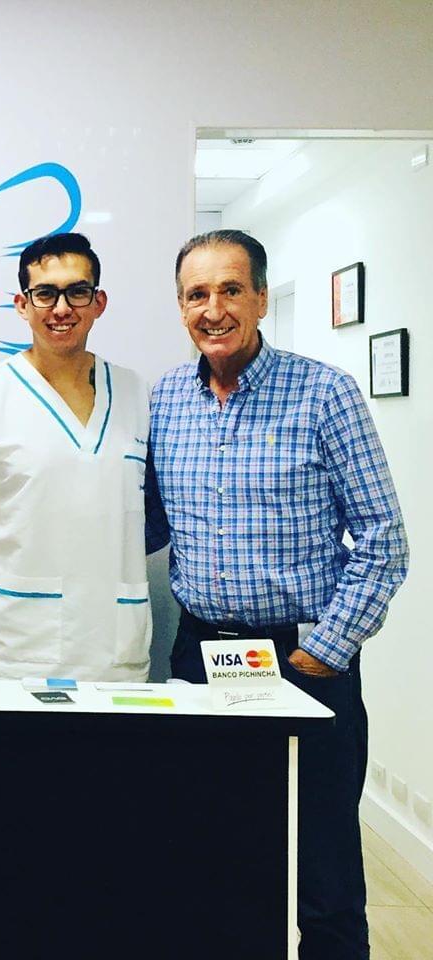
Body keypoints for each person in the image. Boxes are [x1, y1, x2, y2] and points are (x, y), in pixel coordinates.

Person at [146, 229, 408, 959]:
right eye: (197, 294)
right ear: (180, 306)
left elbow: (383, 538)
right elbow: (150, 522)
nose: (214, 309)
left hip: (302, 656)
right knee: (213, 848)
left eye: (231, 290)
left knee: (323, 863)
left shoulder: (325, 393)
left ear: (261, 298)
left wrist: (324, 652)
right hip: (200, 659)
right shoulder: (166, 399)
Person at [0, 232, 151, 681]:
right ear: (22, 305)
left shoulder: (136, 393)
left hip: (117, 659)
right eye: (45, 294)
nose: (61, 309)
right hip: (12, 658)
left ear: (99, 302)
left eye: (77, 292)